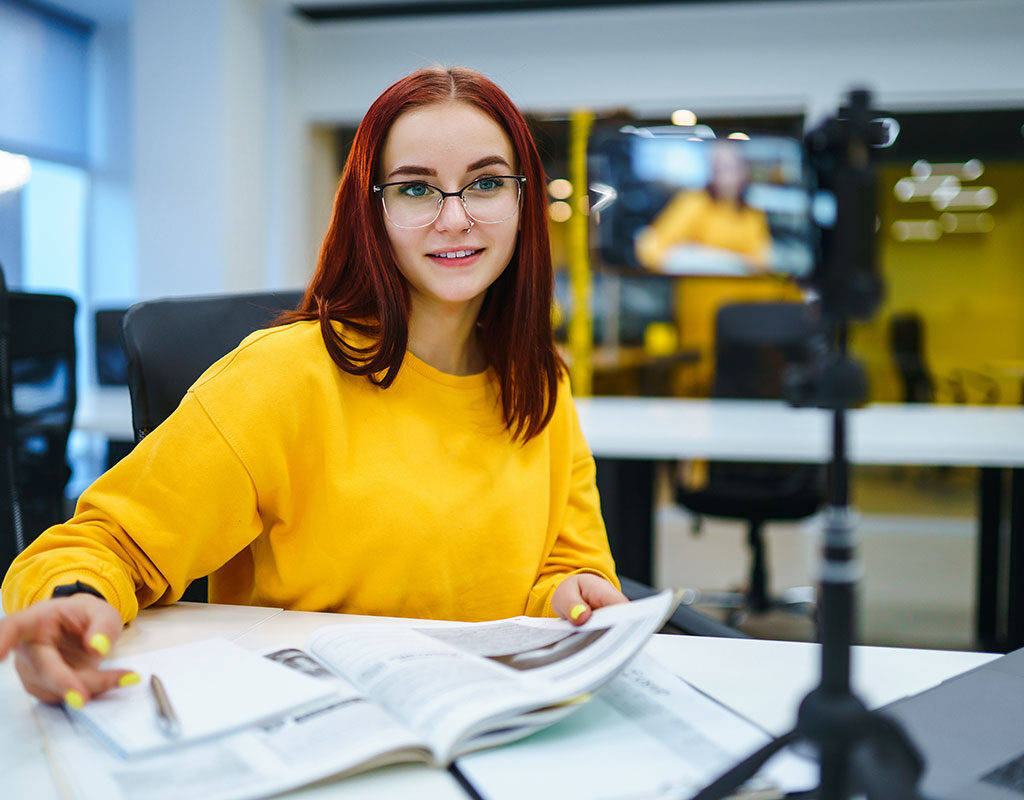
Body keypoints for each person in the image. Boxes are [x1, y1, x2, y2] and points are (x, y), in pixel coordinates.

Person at [0, 66, 626, 709]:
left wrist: (571, 595)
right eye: (416, 190)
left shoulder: (540, 382)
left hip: (491, 721)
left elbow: (570, 563)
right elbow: (105, 543)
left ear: (522, 202)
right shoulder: (284, 377)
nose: (456, 217)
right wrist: (74, 603)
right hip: (313, 728)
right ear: (371, 209)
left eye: (486, 183)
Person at [634, 139, 771, 274]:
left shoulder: (753, 214)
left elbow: (760, 264)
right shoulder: (693, 202)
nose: (722, 177)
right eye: (716, 169)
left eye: (728, 168)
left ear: (743, 171)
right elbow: (651, 249)